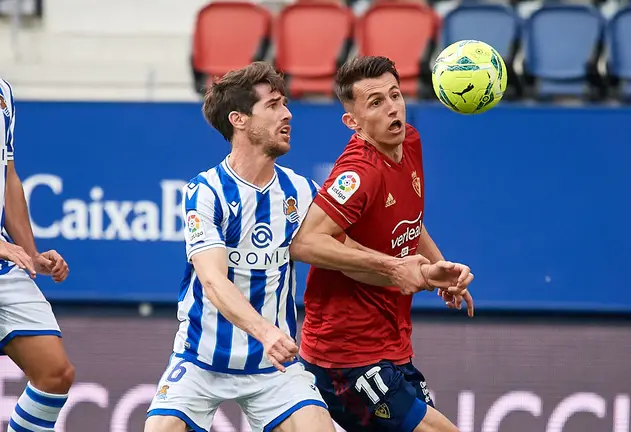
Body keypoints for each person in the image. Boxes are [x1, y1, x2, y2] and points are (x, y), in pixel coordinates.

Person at [144, 62, 469, 432]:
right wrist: (265, 332)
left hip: (275, 368)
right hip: (202, 360)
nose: (287, 114)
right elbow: (214, 282)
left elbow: (351, 258)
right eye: (273, 106)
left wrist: (424, 271)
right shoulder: (206, 192)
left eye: (284, 104)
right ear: (239, 120)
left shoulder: (299, 193)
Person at [290, 56, 474, 432]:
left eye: (395, 94)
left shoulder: (410, 141)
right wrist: (393, 267)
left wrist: (442, 272)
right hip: (344, 357)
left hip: (391, 344)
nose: (393, 107)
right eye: (376, 102)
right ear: (352, 122)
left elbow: (410, 225)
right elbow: (305, 243)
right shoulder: (359, 173)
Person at [0, 78, 74, 432]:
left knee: (55, 374)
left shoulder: (4, 91)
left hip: (3, 263)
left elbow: (8, 175)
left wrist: (29, 254)